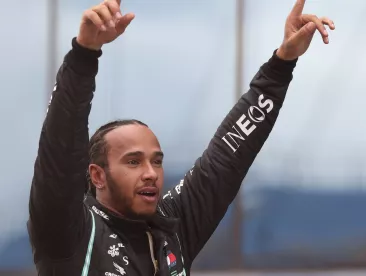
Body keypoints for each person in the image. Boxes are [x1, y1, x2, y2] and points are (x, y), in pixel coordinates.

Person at [27, 0, 334, 275]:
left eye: (156, 161)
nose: (150, 173)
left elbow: (228, 155)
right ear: (98, 175)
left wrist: (281, 64)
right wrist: (83, 56)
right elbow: (60, 153)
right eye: (133, 162)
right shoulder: (68, 232)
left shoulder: (171, 227)